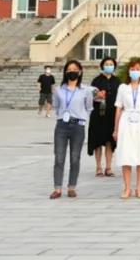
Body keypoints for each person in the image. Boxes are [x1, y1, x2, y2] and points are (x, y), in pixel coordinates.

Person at [49, 60, 93, 199]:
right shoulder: (58, 90)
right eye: (69, 69)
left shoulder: (85, 90)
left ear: (80, 72)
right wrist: (63, 116)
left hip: (78, 126)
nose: (72, 71)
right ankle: (57, 188)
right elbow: (56, 107)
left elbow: (89, 107)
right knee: (59, 158)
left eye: (75, 69)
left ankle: (71, 187)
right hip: (62, 126)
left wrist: (82, 118)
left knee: (75, 158)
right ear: (65, 72)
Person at [112, 60, 140, 199]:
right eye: (132, 69)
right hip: (126, 121)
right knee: (126, 154)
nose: (135, 71)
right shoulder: (122, 87)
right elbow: (118, 108)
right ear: (129, 71)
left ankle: (139, 188)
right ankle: (127, 188)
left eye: (137, 69)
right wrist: (116, 129)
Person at [88, 57, 120, 177]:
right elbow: (90, 96)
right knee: (97, 141)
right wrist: (97, 96)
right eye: (106, 64)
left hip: (112, 115)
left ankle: (108, 167)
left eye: (111, 64)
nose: (109, 66)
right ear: (102, 66)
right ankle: (98, 167)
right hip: (98, 114)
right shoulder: (96, 81)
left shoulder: (118, 81)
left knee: (109, 142)